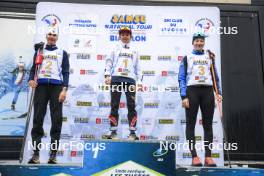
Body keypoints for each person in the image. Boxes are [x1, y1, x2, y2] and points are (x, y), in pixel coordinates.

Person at [178, 32, 222, 167]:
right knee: (190, 124)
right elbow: (181, 77)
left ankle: (208, 157)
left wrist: (218, 92)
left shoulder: (209, 57)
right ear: (193, 42)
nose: (199, 43)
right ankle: (194, 157)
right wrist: (184, 96)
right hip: (192, 91)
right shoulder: (187, 57)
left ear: (204, 42)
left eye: (201, 41)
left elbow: (215, 75)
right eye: (196, 40)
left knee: (208, 125)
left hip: (208, 91)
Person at [27, 26, 70, 164]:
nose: (52, 37)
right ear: (46, 36)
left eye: (54, 35)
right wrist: (31, 79)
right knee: (38, 119)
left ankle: (53, 155)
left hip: (57, 87)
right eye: (50, 34)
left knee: (56, 120)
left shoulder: (62, 52)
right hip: (41, 86)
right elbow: (34, 68)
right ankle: (36, 155)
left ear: (57, 37)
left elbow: (65, 72)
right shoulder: (40, 50)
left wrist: (64, 89)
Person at [104, 26, 142, 140]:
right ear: (120, 36)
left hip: (130, 80)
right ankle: (113, 132)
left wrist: (139, 81)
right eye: (123, 34)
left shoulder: (135, 51)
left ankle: (133, 133)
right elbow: (109, 62)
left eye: (127, 34)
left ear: (130, 36)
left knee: (131, 106)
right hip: (116, 79)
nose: (125, 36)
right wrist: (107, 75)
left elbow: (138, 68)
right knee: (114, 105)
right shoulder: (114, 48)